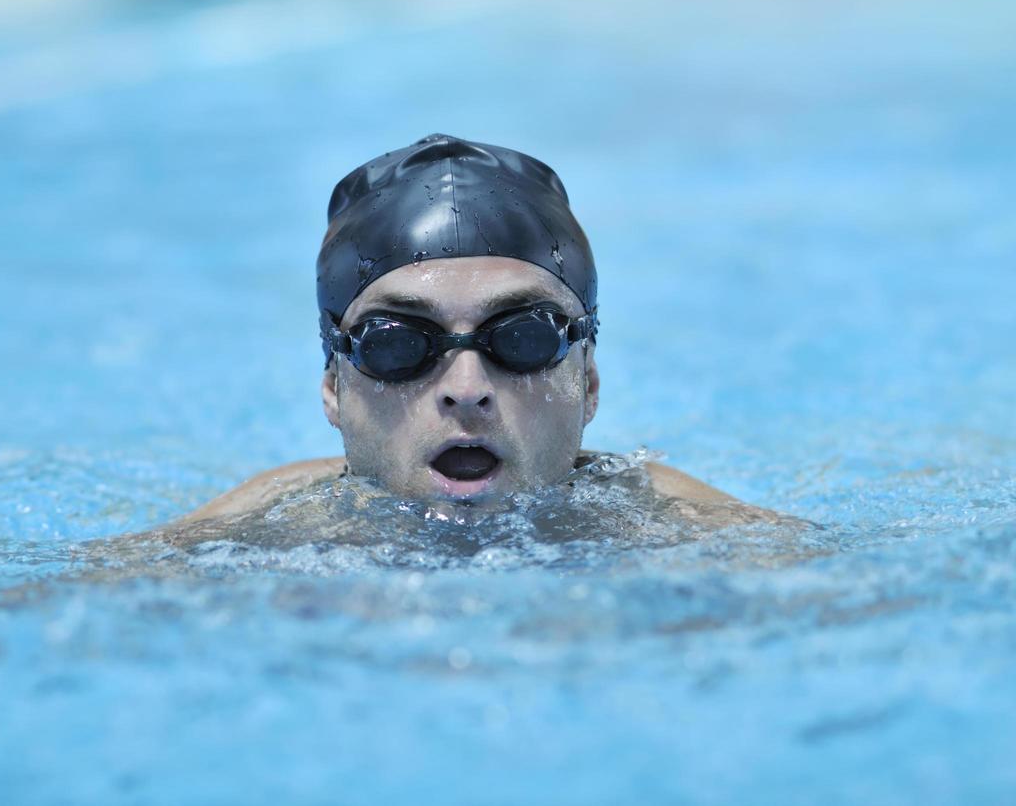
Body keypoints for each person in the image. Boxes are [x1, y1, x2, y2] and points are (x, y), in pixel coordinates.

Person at [146, 134, 776, 547]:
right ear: (335, 387)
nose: (467, 390)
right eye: (396, 344)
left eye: (524, 338)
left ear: (586, 382)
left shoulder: (706, 542)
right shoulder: (251, 538)